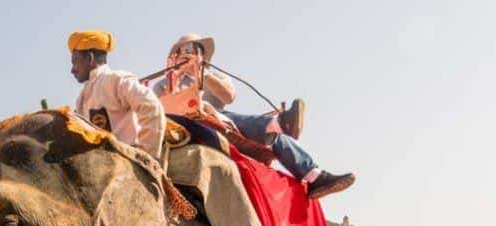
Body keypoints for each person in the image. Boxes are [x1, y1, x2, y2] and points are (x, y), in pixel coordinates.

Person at [156, 33, 355, 200]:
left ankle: (314, 176)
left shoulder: (212, 76)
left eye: (196, 50)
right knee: (212, 109)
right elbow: (158, 111)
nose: (191, 54)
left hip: (219, 122)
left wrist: (201, 74)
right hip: (183, 125)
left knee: (274, 136)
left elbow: (228, 96)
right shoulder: (163, 82)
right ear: (176, 54)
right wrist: (175, 78)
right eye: (186, 50)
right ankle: (279, 123)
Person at [69, 30, 165, 158]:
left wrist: (145, 156)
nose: (72, 70)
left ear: (90, 58)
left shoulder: (117, 80)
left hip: (127, 166)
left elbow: (152, 107)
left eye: (75, 61)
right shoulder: (81, 97)